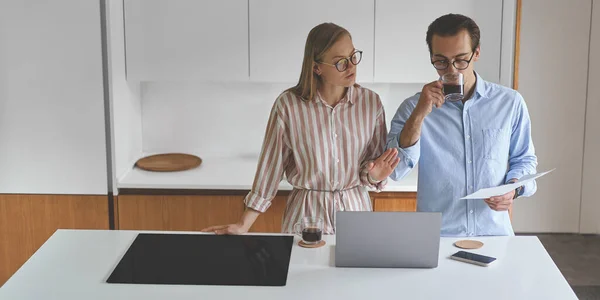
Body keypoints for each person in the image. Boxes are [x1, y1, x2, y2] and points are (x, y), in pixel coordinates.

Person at [202, 22, 399, 235]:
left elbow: (370, 168)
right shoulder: (288, 105)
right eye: (340, 62)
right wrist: (244, 224)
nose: (351, 66)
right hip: (307, 216)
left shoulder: (370, 103)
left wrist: (375, 175)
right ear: (317, 67)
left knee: (354, 270)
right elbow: (271, 166)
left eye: (353, 56)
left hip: (356, 214)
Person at [387, 14, 538, 237]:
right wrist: (420, 114)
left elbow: (525, 160)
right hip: (435, 239)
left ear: (476, 53)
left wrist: (513, 189)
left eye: (460, 59)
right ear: (431, 57)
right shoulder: (413, 107)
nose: (451, 70)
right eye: (441, 61)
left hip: (493, 235)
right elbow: (396, 171)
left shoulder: (509, 103)